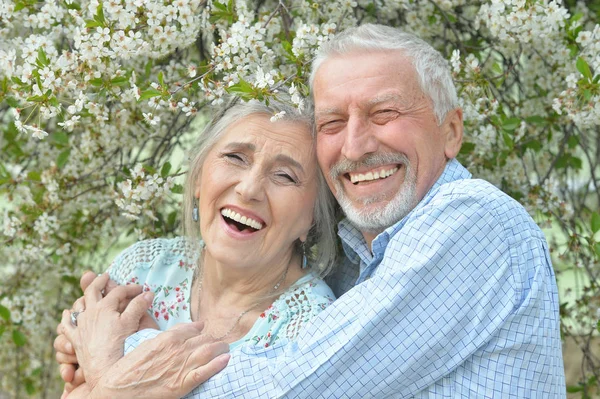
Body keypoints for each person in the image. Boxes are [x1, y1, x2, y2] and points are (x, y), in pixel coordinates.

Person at [56, 23, 566, 398]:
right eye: (332, 123)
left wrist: (107, 363)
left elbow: (293, 385)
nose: (357, 145)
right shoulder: (363, 267)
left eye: (384, 113)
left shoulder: (473, 224)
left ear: (451, 131)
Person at [55, 96, 338, 398]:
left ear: (313, 218)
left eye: (284, 176)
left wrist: (101, 365)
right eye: (235, 157)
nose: (249, 189)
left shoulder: (310, 332)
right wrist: (79, 333)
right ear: (200, 177)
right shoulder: (145, 267)